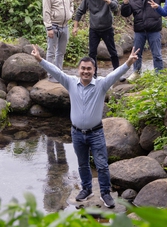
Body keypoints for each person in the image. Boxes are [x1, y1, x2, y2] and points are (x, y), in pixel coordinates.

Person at [30, 43, 139, 209]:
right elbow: (56, 72)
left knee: (101, 165)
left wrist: (129, 63)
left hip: (96, 133)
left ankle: (105, 193)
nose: (86, 71)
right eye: (83, 68)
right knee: (82, 164)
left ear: (94, 70)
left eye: (89, 69)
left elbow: (115, 75)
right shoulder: (71, 82)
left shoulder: (101, 84)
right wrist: (40, 60)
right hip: (77, 133)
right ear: (78, 70)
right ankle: (86, 189)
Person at [120, 0, 167, 81]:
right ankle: (136, 73)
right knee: (136, 53)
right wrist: (125, 4)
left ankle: (159, 74)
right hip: (139, 30)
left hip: (154, 29)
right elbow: (126, 13)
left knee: (157, 54)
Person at [73, 0, 119, 77]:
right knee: (92, 53)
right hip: (94, 29)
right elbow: (80, 11)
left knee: (113, 52)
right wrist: (75, 27)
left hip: (107, 28)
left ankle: (117, 72)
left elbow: (115, 7)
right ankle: (93, 75)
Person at [42, 0, 74, 82]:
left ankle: (59, 72)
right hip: (54, 26)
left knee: (61, 51)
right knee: (51, 51)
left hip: (65, 26)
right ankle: (50, 74)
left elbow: (71, 4)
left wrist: (70, 13)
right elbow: (46, 12)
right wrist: (49, 28)